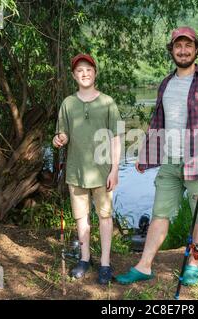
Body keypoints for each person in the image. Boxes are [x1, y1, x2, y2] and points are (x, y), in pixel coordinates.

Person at [115, 27, 198, 286]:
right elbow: (159, 122)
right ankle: (144, 266)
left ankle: (193, 264)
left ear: (196, 49)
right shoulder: (166, 83)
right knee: (159, 214)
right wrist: (145, 156)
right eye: (178, 46)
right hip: (170, 162)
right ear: (172, 50)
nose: (183, 50)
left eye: (188, 46)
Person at [53, 53, 122, 285]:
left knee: (105, 217)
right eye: (79, 70)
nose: (84, 73)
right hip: (76, 172)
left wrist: (114, 169)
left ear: (95, 73)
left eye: (88, 69)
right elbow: (62, 133)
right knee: (81, 218)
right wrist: (59, 139)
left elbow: (117, 136)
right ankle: (84, 259)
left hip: (103, 173)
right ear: (74, 76)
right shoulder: (67, 103)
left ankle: (104, 262)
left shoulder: (109, 102)